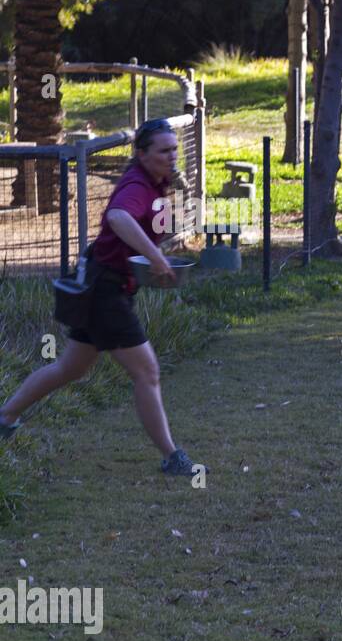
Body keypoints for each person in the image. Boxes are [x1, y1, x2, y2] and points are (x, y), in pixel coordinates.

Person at [0, 119, 198, 476]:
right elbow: (119, 216)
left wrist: (158, 252)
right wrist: (155, 258)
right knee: (147, 372)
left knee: (71, 368)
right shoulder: (137, 184)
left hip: (101, 284)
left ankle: (5, 417)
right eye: (163, 151)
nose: (172, 156)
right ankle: (172, 456)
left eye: (174, 149)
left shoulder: (158, 182)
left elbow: (147, 230)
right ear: (142, 154)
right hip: (105, 292)